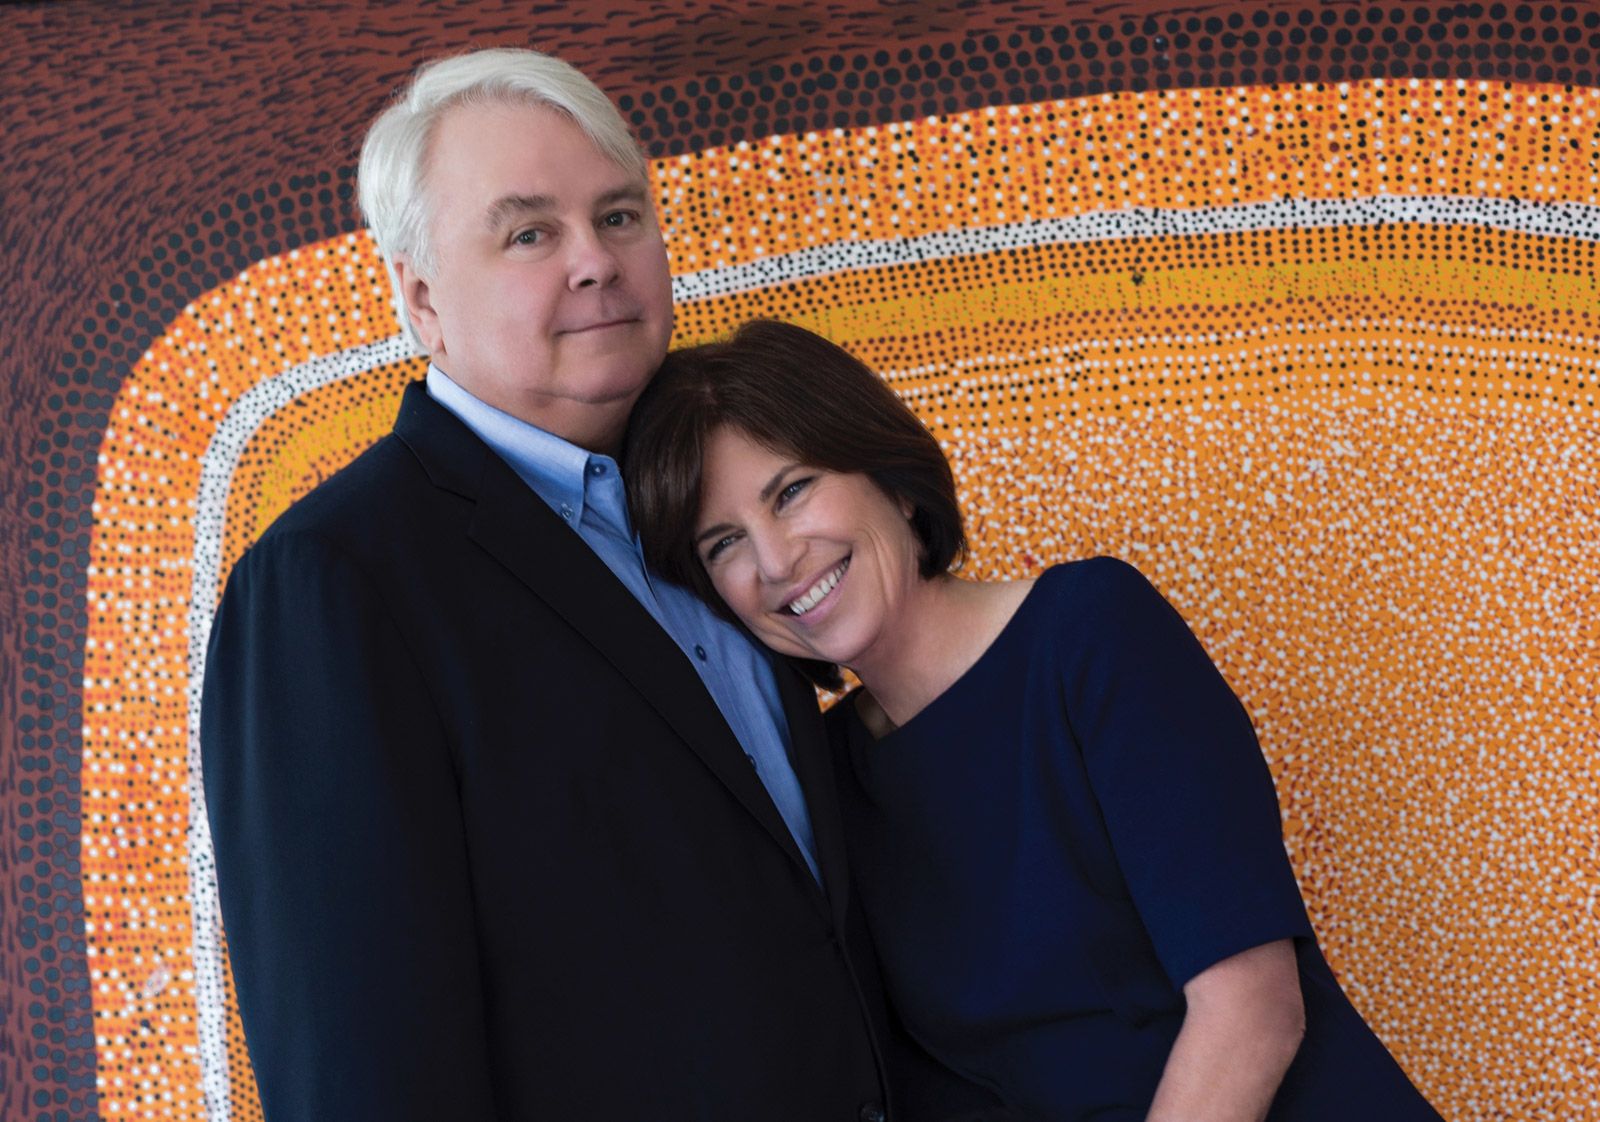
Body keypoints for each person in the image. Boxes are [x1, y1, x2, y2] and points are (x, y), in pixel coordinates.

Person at [201, 50, 999, 1121]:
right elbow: (358, 1066)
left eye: (619, 216)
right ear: (422, 299)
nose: (595, 262)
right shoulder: (332, 582)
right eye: (529, 233)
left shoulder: (723, 511)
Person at [623, 319, 1446, 1122]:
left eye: (792, 492)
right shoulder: (825, 784)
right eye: (723, 543)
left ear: (889, 477)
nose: (774, 561)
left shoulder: (1091, 634)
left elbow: (1252, 1010)